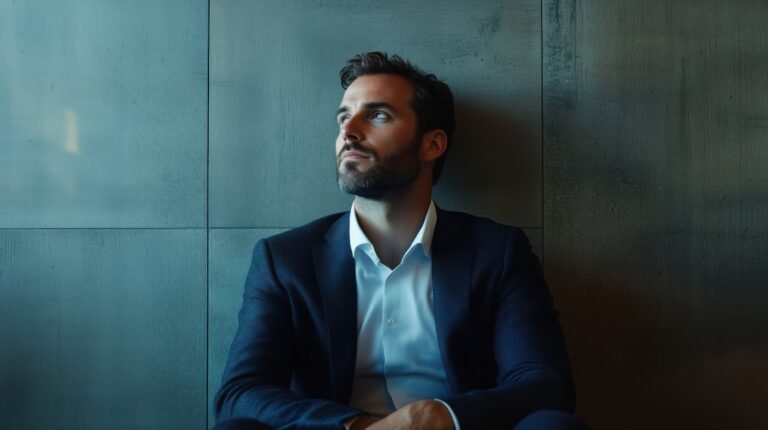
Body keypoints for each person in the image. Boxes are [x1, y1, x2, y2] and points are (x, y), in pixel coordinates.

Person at [213, 52, 588, 430]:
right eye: (344, 116)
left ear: (432, 145)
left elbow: (545, 385)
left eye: (377, 115)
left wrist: (439, 415)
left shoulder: (497, 252)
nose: (349, 131)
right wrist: (354, 425)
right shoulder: (285, 260)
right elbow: (241, 393)